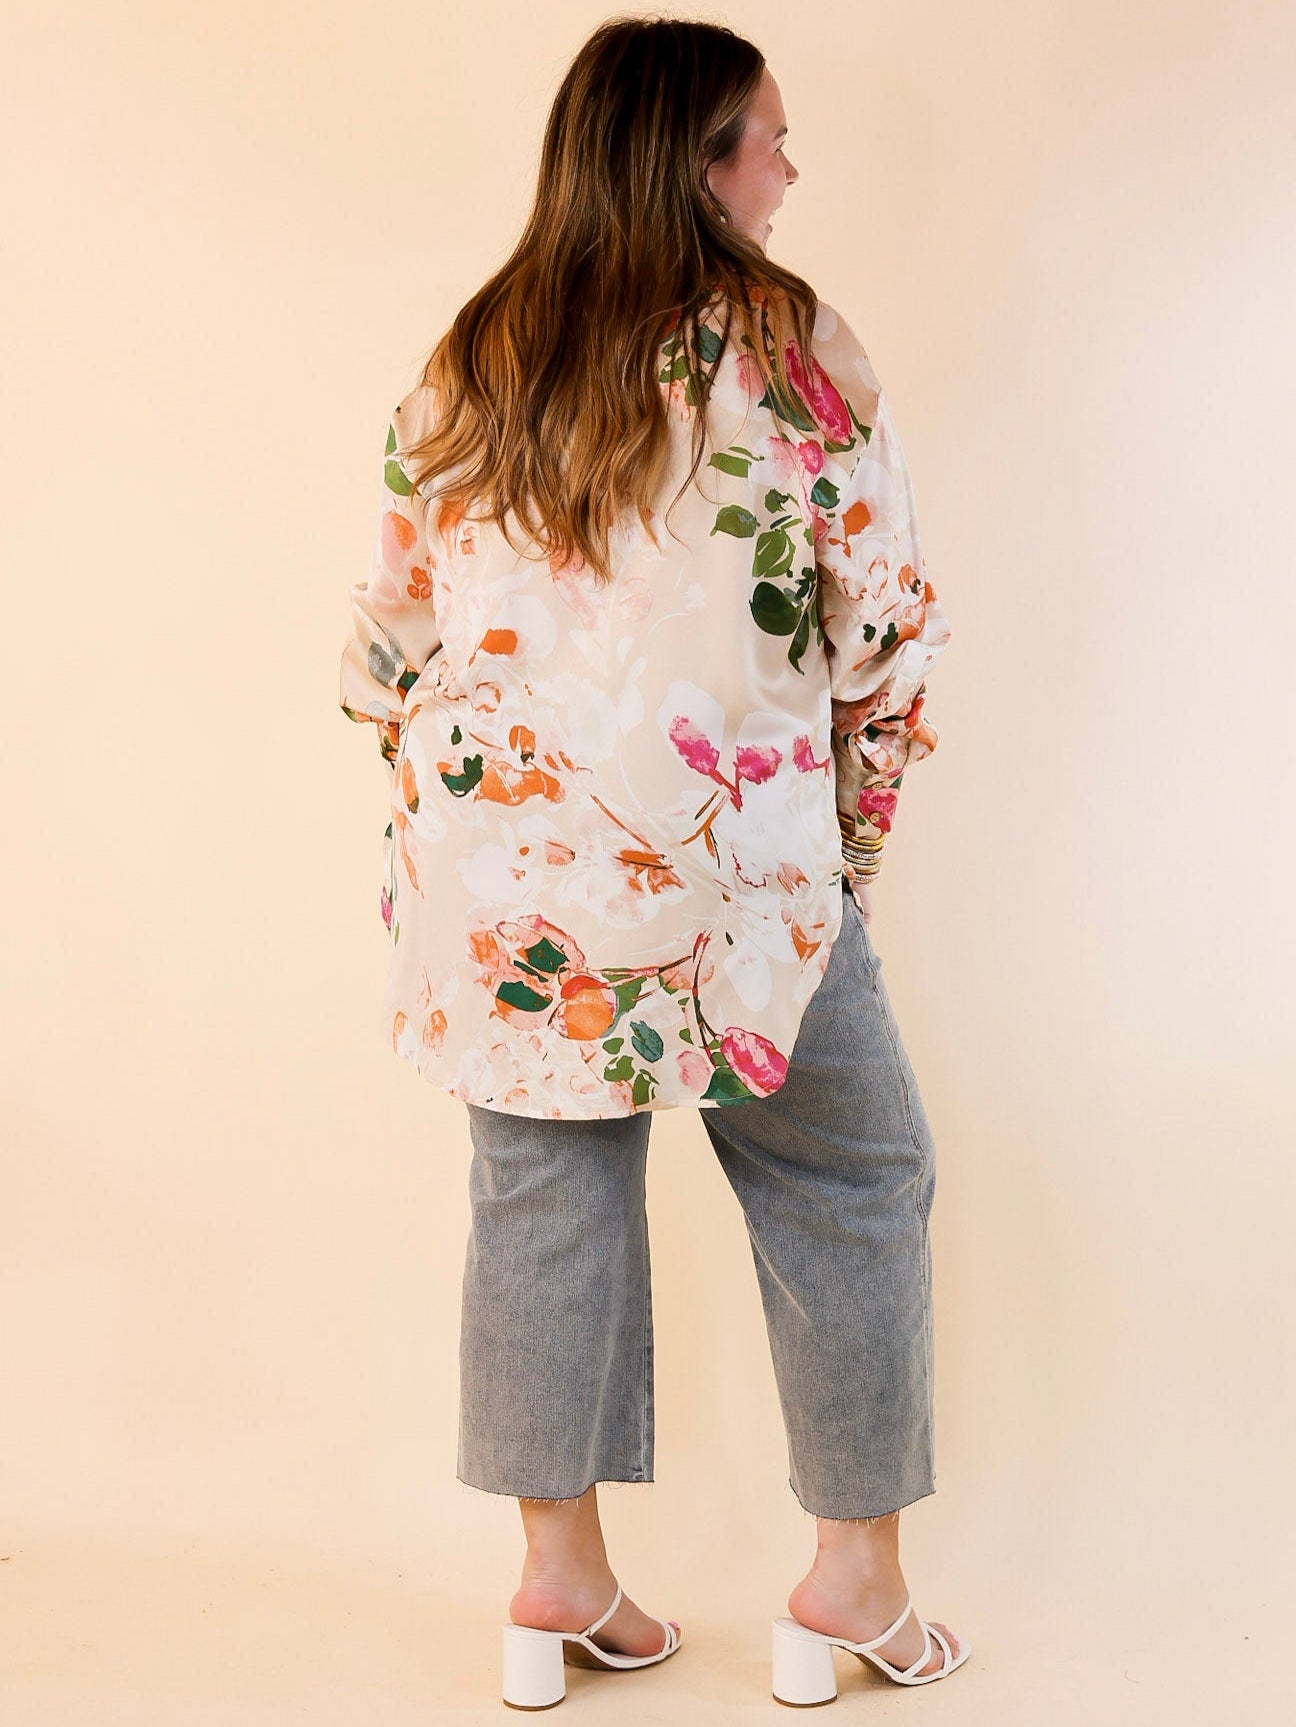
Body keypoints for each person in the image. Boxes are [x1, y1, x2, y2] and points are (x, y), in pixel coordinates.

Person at [338, 15, 969, 1708]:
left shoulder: (474, 355)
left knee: (544, 1198)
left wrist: (466, 842)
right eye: (769, 139)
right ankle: (853, 1587)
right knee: (853, 1175)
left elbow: (385, 644)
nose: (790, 170)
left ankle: (557, 1582)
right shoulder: (793, 346)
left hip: (509, 889)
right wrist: (843, 850)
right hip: (733, 866)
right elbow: (886, 636)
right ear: (695, 160)